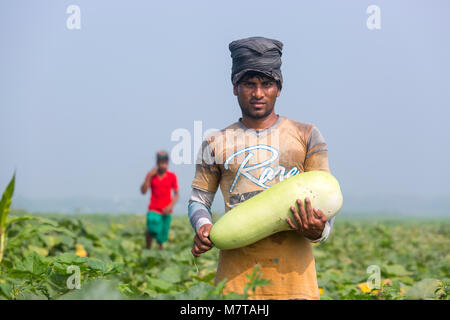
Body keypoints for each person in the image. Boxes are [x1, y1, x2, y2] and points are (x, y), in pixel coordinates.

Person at [187, 36, 336, 300]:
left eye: (266, 84)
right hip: (235, 288)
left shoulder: (308, 135)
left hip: (296, 287)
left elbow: (327, 203)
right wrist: (203, 225)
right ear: (235, 87)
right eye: (249, 84)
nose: (258, 93)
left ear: (279, 88)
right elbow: (198, 201)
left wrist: (319, 231)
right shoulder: (214, 141)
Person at [141, 150, 179, 250]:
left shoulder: (172, 176)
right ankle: (148, 248)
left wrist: (170, 206)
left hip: (166, 210)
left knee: (162, 236)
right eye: (161, 163)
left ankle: (159, 253)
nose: (163, 166)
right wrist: (149, 177)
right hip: (154, 208)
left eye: (165, 163)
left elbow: (176, 195)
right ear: (157, 163)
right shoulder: (151, 176)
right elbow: (143, 191)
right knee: (151, 228)